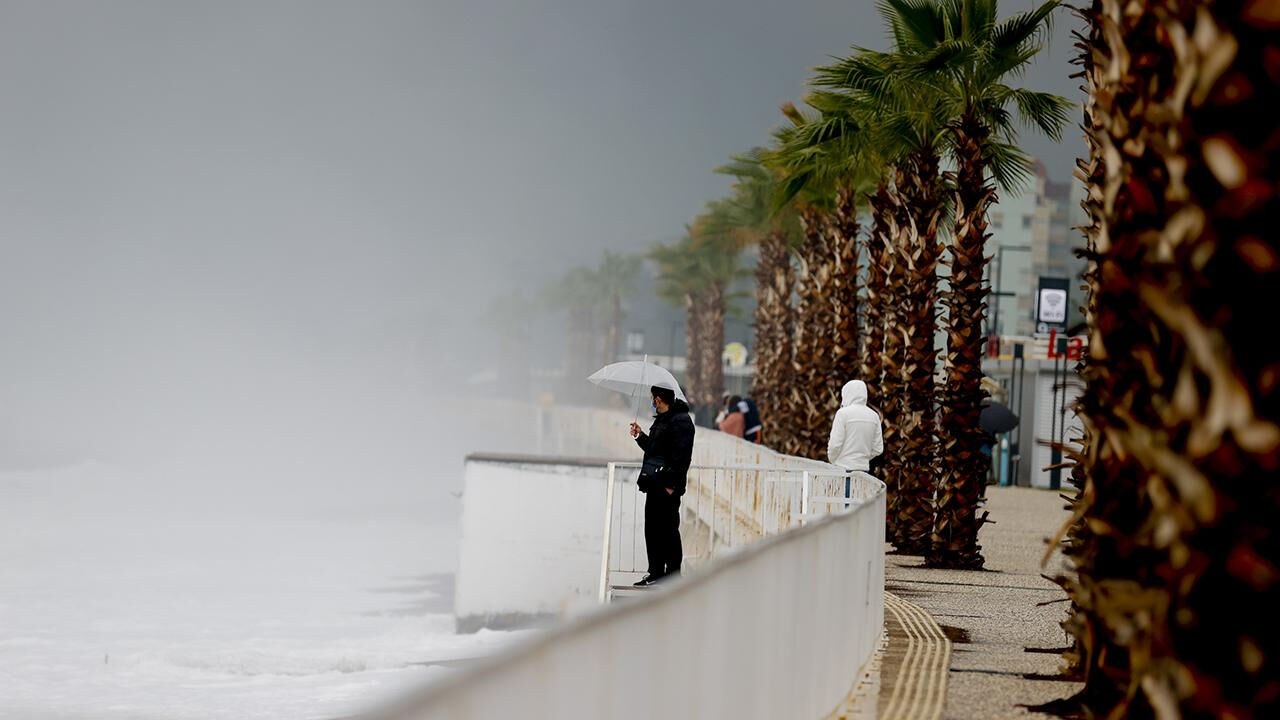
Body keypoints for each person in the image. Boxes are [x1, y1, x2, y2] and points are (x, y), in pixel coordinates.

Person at [629, 385, 695, 586]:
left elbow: (682, 458)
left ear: (658, 399)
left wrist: (671, 484)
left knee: (668, 530)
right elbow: (654, 450)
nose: (652, 402)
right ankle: (655, 571)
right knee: (653, 528)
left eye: (652, 398)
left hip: (668, 486)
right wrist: (640, 436)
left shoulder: (681, 422)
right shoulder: (662, 421)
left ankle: (672, 574)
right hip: (654, 483)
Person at [827, 379, 883, 472]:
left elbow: (835, 445)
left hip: (842, 469)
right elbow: (878, 448)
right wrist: (862, 459)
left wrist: (833, 460)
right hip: (864, 470)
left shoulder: (843, 414)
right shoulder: (874, 416)